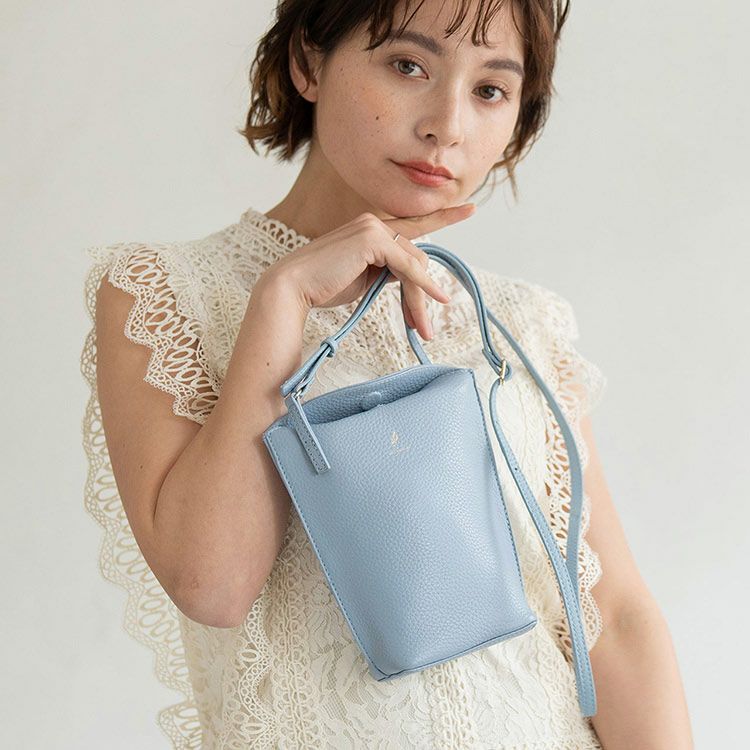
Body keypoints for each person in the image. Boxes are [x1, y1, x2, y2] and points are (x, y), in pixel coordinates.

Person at [81, 0, 693, 747]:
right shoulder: (169, 292)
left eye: (490, 89)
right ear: (308, 63)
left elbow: (613, 618)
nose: (448, 125)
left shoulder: (520, 321)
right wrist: (284, 299)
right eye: (408, 65)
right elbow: (213, 587)